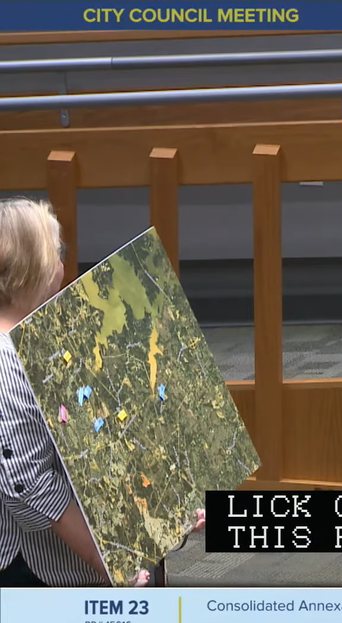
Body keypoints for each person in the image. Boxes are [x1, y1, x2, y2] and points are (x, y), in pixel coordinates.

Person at [0, 197, 203, 587]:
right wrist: (112, 561)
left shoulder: (53, 339)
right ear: (34, 266)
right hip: (35, 574)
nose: (63, 263)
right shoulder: (8, 360)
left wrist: (167, 503)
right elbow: (30, 488)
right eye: (57, 250)